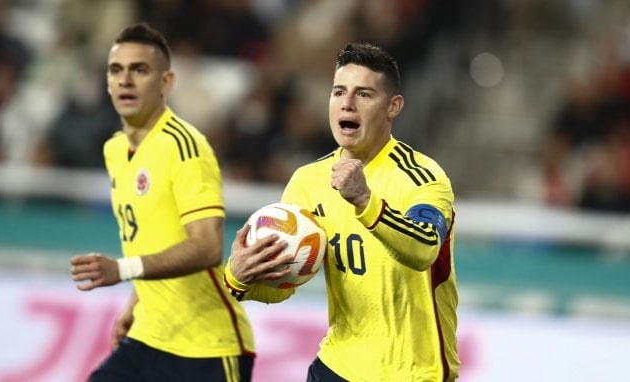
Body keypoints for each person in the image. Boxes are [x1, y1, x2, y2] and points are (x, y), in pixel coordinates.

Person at [224, 42, 459, 381]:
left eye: (364, 94)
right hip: (337, 366)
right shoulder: (307, 181)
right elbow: (284, 284)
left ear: (393, 106)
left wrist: (365, 201)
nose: (346, 103)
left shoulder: (422, 177)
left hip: (413, 373)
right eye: (338, 92)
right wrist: (239, 277)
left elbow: (424, 248)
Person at [69, 22, 254, 382]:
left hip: (208, 349)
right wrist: (135, 303)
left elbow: (206, 247)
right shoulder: (115, 151)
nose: (125, 80)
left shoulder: (185, 147)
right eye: (116, 70)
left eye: (139, 70)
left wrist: (122, 270)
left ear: (166, 82)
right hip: (148, 338)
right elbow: (154, 238)